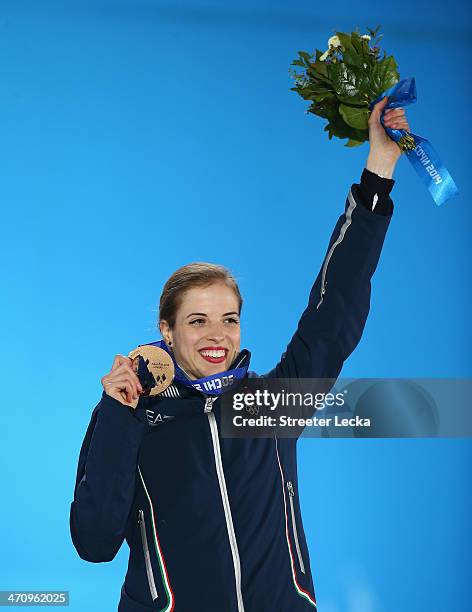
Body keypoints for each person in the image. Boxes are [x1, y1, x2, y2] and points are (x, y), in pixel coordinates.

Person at [70, 98, 410, 611]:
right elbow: (94, 543)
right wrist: (120, 417)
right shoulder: (130, 413)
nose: (217, 335)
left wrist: (379, 169)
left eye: (229, 319)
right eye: (198, 320)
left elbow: (334, 310)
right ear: (166, 329)